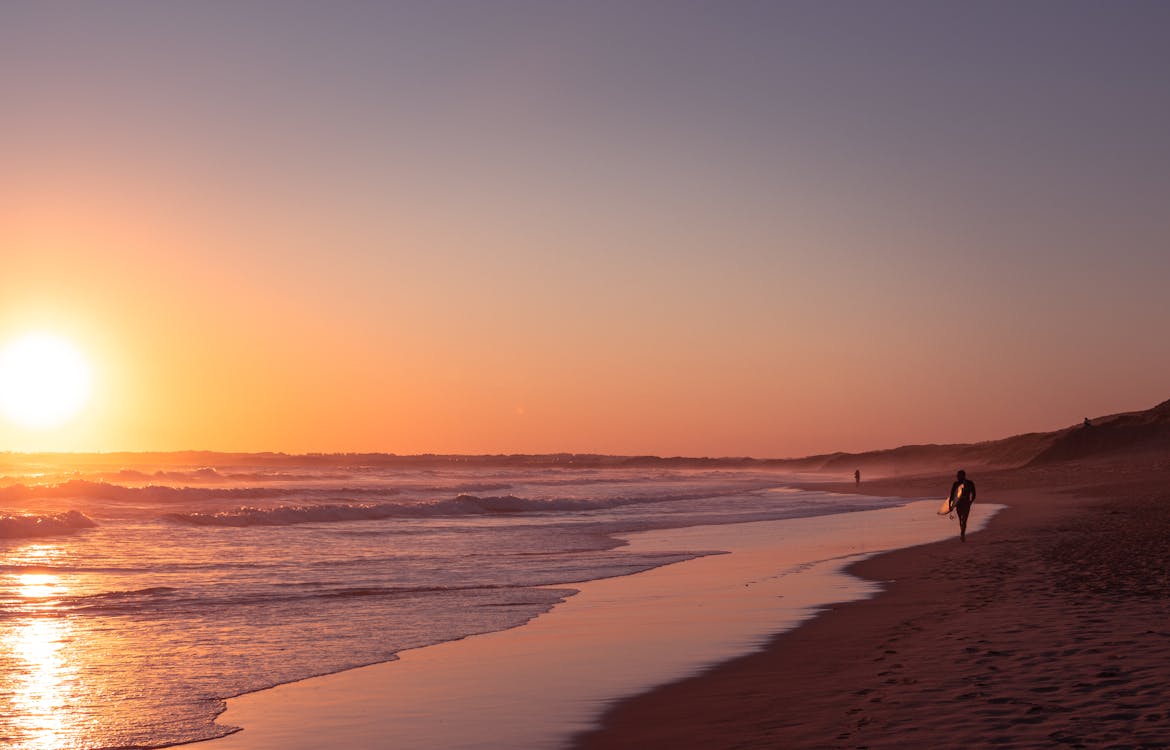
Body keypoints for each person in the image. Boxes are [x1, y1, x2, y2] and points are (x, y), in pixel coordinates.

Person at [948, 470, 977, 542]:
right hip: (963, 503)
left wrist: (950, 505)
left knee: (962, 519)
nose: (957, 477)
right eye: (957, 476)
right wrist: (950, 505)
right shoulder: (967, 483)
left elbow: (974, 494)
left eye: (958, 476)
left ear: (963, 476)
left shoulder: (961, 483)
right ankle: (962, 533)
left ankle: (962, 533)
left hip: (962, 503)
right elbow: (952, 495)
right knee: (963, 520)